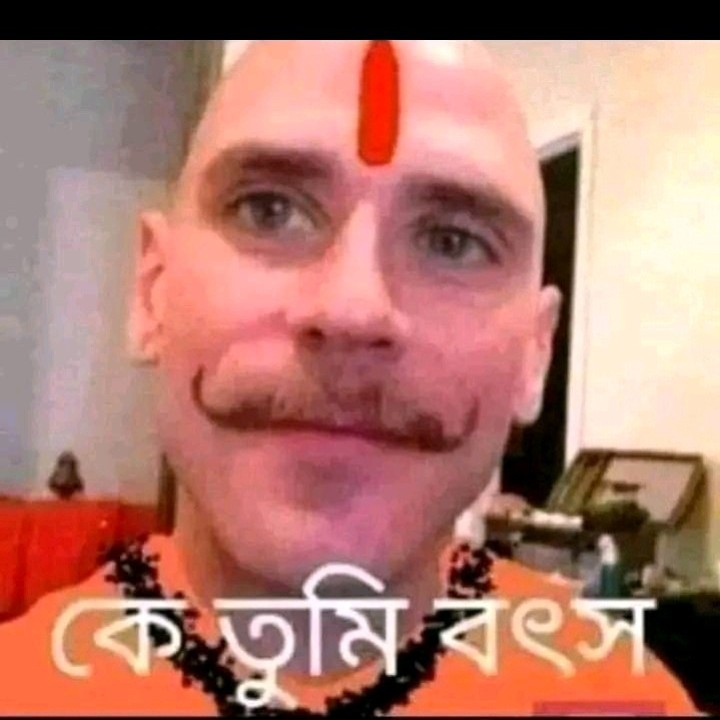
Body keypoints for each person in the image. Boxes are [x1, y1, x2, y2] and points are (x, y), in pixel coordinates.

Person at [0, 40, 698, 715]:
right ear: (153, 290)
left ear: (536, 354)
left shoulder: (624, 701)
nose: (353, 309)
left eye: (453, 242)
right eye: (268, 209)